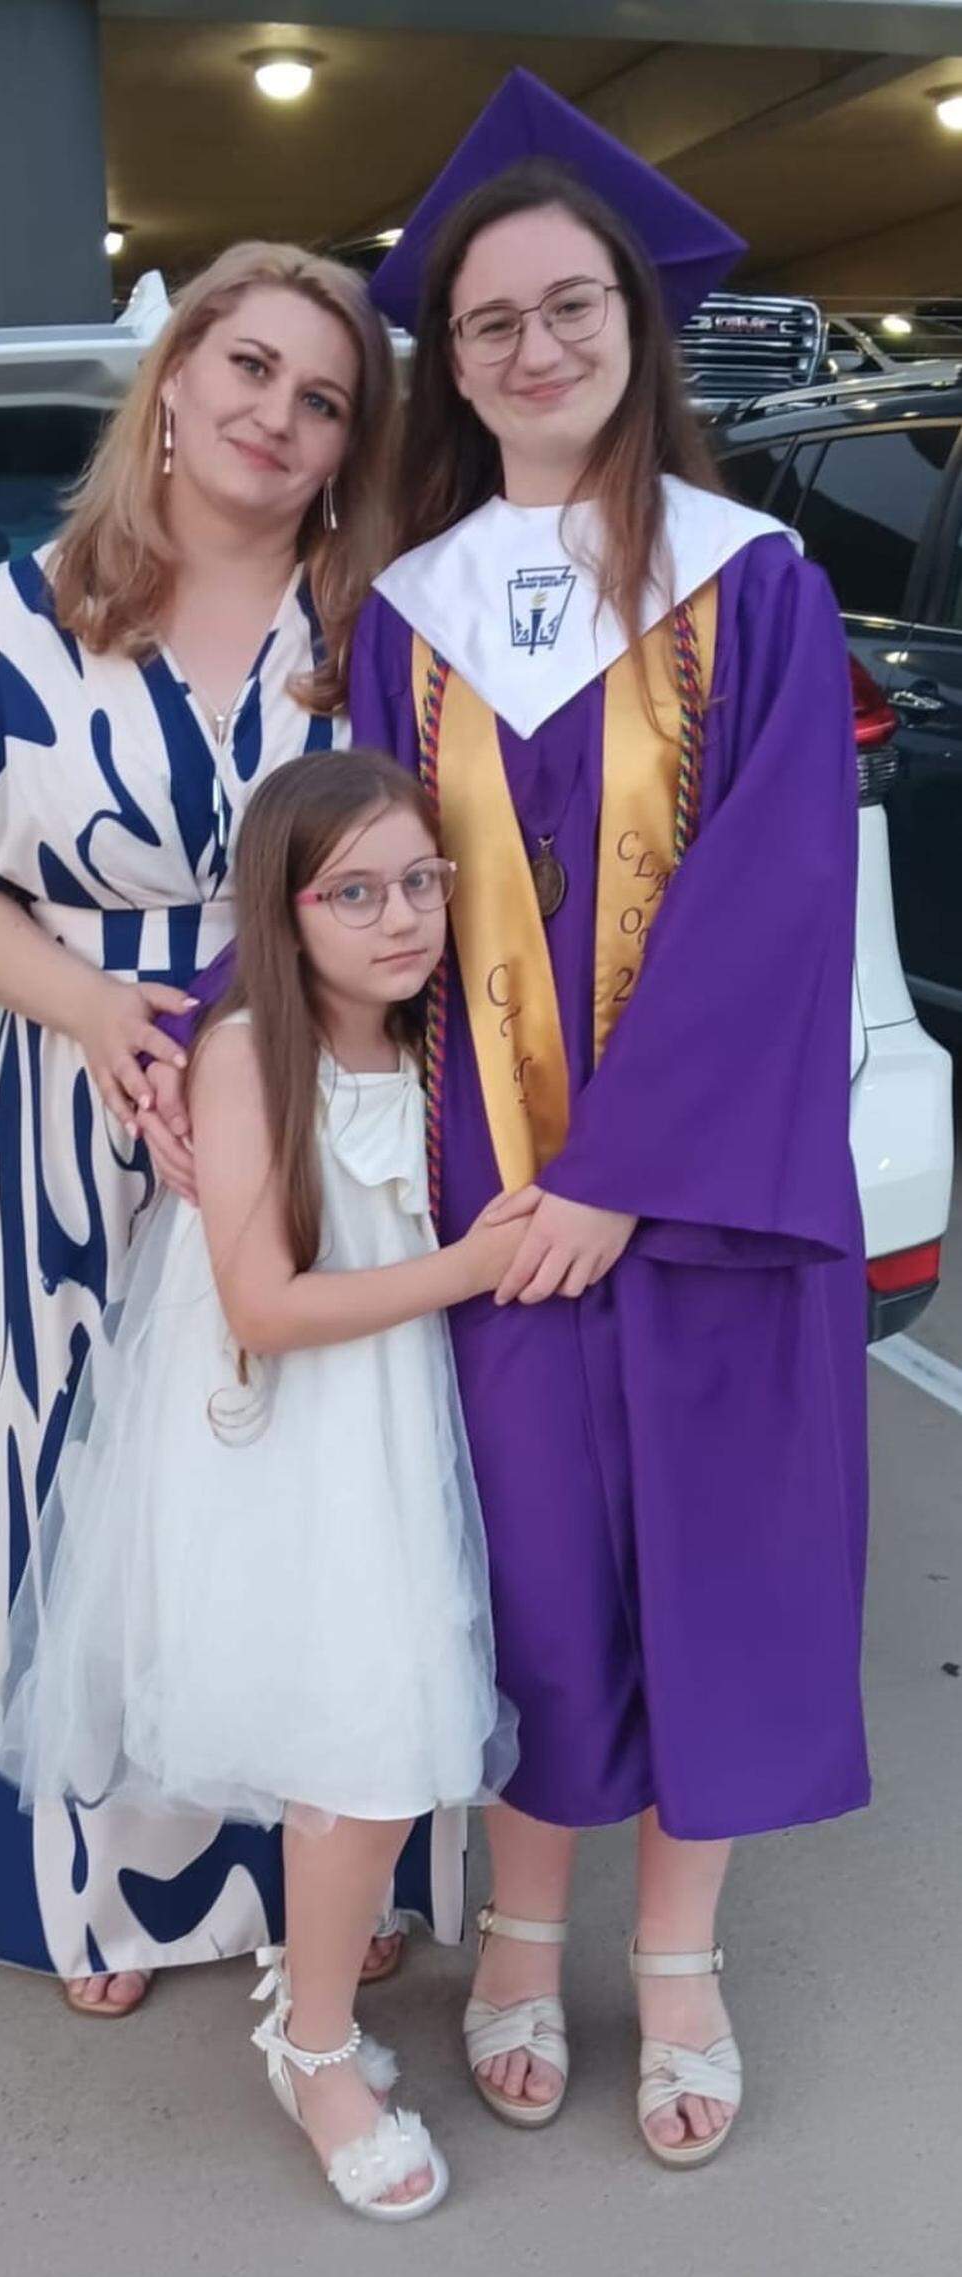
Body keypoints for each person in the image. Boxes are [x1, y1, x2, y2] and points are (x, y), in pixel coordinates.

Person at [343, 72, 870, 2168]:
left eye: (574, 308)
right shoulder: (411, 614)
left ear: (639, 331)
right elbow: (357, 888)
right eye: (490, 324)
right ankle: (514, 1933)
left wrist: (624, 1177)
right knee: (532, 1575)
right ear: (453, 367)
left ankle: (680, 1969)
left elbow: (776, 905)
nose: (536, 348)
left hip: (699, 1201)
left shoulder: (759, 584)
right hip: (489, 1209)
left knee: (720, 1572)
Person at [0, 240, 411, 2018]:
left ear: (346, 443)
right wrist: (97, 1011)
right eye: (248, 368)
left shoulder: (378, 628)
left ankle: (323, 1870)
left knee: (315, 1484)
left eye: (320, 397)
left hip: (329, 1103)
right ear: (173, 382)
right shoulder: (11, 618)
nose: (277, 413)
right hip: (83, 1109)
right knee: (74, 1488)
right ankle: (99, 1888)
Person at [0, 749, 524, 2217]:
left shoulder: (430, 1046)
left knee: (368, 1741)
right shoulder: (246, 1056)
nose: (401, 916)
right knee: (356, 1747)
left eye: (423, 880)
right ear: (284, 917)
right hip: (288, 1440)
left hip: (387, 1433)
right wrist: (469, 1268)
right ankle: (318, 2047)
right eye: (356, 892)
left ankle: (316, 2005)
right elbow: (266, 1307)